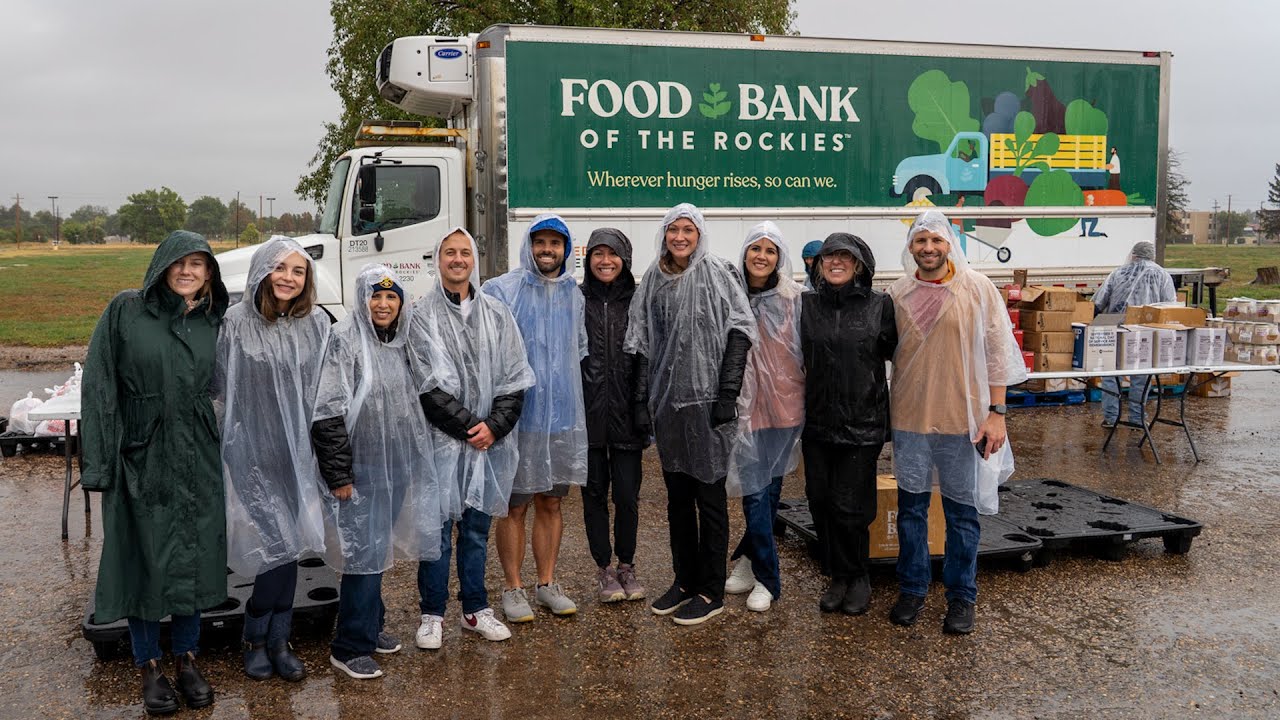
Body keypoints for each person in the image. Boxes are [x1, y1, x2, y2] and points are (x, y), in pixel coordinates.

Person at [81, 230, 229, 715]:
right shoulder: (125, 311)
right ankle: (148, 665)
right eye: (180, 262)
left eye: (199, 264)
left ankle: (186, 657)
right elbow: (100, 387)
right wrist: (100, 464)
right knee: (144, 560)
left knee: (191, 557)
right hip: (140, 454)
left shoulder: (212, 320)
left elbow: (225, 388)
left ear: (209, 273)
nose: (188, 271)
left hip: (197, 455)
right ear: (163, 265)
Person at [886, 210, 1026, 635]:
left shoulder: (977, 288)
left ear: (950, 244)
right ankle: (912, 588)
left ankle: (961, 596)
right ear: (910, 248)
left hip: (963, 422)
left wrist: (997, 413)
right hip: (910, 418)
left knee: (961, 513)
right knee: (911, 511)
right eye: (920, 241)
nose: (928, 248)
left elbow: (999, 353)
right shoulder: (897, 293)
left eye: (937, 240)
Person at [625, 203, 756, 626]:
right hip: (669, 409)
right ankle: (684, 580)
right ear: (664, 234)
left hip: (709, 405)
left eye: (688, 230)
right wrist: (642, 402)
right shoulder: (653, 280)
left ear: (700, 235)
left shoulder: (718, 272)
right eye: (673, 230)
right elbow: (641, 341)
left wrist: (727, 394)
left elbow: (740, 330)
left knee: (710, 499)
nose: (680, 237)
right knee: (677, 500)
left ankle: (711, 589)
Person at [311, 264, 444, 679]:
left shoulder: (403, 340)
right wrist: (340, 475)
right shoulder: (345, 338)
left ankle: (371, 625)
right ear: (361, 298)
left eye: (391, 297)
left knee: (377, 551)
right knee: (363, 558)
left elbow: (428, 392)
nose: (383, 304)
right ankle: (349, 646)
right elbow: (328, 410)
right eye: (375, 295)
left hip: (396, 465)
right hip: (361, 468)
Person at [411, 227, 536, 649]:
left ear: (474, 261)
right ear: (438, 259)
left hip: (486, 445)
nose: (458, 259)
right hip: (440, 444)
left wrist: (494, 427)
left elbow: (515, 379)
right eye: (450, 252)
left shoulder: (497, 314)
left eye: (465, 252)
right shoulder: (421, 315)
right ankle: (431, 614)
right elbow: (425, 385)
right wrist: (470, 428)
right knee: (437, 532)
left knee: (477, 530)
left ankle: (474, 608)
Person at [216, 237, 329, 683]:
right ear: (263, 271)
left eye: (298, 271)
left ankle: (276, 639)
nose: (288, 278)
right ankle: (257, 636)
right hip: (252, 457)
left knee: (291, 548)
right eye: (280, 268)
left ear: (307, 280)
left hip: (299, 457)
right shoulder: (233, 324)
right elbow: (215, 390)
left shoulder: (316, 324)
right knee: (275, 549)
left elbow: (329, 388)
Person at [481, 213, 589, 622]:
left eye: (555, 243)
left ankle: (547, 583)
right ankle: (512, 587)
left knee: (552, 502)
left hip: (559, 417)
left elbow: (576, 353)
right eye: (539, 242)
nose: (547, 250)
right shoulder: (503, 290)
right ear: (529, 247)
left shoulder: (572, 295)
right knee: (514, 506)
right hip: (517, 420)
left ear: (565, 249)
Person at [799, 232, 897, 616]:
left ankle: (858, 575)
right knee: (820, 501)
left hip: (862, 423)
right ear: (818, 265)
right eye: (828, 257)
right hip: (818, 422)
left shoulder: (879, 307)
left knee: (851, 506)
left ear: (858, 265)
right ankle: (837, 574)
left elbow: (899, 354)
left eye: (845, 257)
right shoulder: (806, 307)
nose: (835, 262)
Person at [722, 222, 804, 614]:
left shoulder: (794, 298)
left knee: (768, 492)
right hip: (745, 408)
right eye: (756, 248)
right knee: (754, 492)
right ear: (745, 253)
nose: (762, 256)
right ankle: (761, 568)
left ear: (779, 258)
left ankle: (760, 572)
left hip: (785, 407)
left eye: (770, 251)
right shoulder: (729, 295)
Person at [580, 227, 650, 603]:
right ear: (589, 260)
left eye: (613, 254)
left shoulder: (637, 301)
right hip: (588, 416)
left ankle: (627, 564)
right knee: (593, 494)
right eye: (598, 254)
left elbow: (646, 355)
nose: (605, 261)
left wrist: (642, 404)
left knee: (626, 496)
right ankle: (604, 569)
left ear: (625, 258)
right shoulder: (577, 300)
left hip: (626, 415)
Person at [1093, 241, 1176, 428]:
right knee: (1141, 376)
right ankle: (1137, 419)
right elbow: (1170, 307)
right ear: (1152, 255)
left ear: (1134, 254)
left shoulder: (1118, 273)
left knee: (1112, 374)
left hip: (1117, 330)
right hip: (1146, 333)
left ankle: (1111, 418)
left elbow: (1098, 301)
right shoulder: (1163, 275)